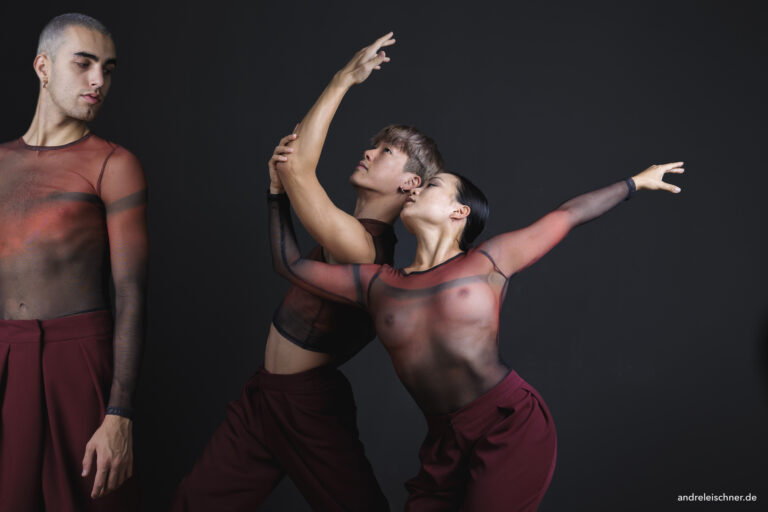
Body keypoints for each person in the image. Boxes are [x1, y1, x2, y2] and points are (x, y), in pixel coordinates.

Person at [269, 154, 683, 510]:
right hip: (443, 439)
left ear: (459, 212)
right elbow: (290, 265)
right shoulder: (377, 283)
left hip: (507, 423)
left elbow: (568, 214)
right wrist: (277, 193)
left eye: (431, 186)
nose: (414, 190)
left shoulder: (489, 259)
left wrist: (636, 182)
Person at [173, 33, 444, 511]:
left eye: (386, 151)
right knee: (194, 503)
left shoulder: (365, 248)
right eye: (374, 145)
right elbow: (286, 249)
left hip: (305, 405)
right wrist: (275, 192)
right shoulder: (351, 231)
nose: (369, 152)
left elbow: (297, 165)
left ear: (411, 183)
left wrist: (344, 79)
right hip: (265, 395)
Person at [0, 13, 146, 512]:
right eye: (83, 64)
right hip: (5, 354)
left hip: (78, 358)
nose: (98, 80)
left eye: (108, 68)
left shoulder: (113, 164)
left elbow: (131, 294)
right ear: (43, 67)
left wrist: (120, 412)